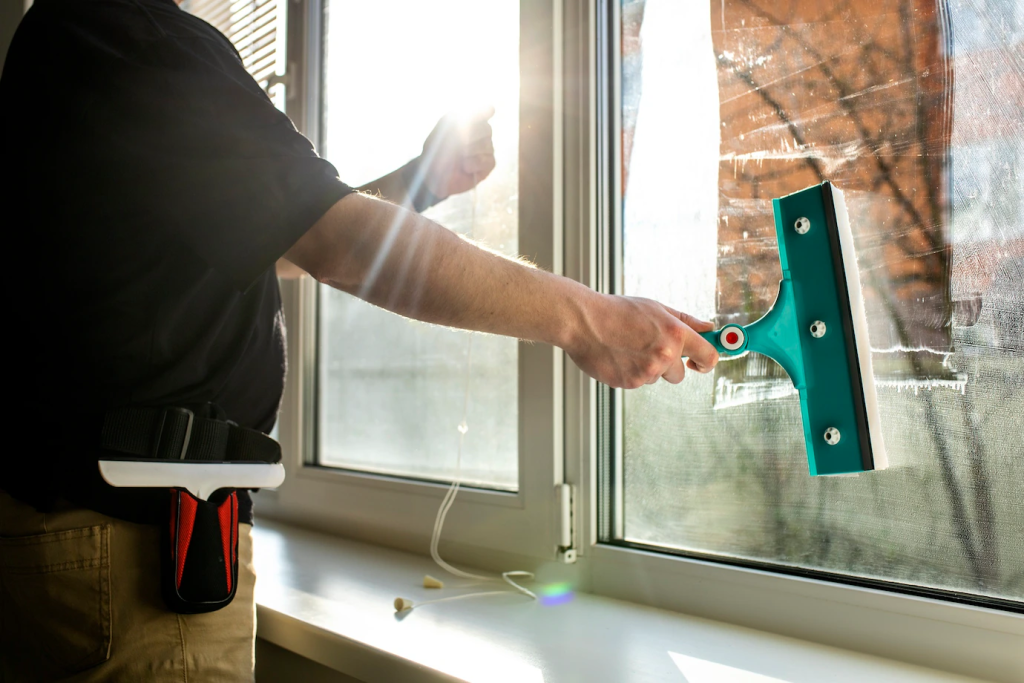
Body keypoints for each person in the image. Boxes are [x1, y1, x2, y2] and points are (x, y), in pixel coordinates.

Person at [0, 0, 719, 680]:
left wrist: (420, 182)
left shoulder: (82, 36)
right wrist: (589, 319)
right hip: (132, 551)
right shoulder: (130, 35)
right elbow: (334, 239)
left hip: (108, 535)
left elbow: (272, 241)